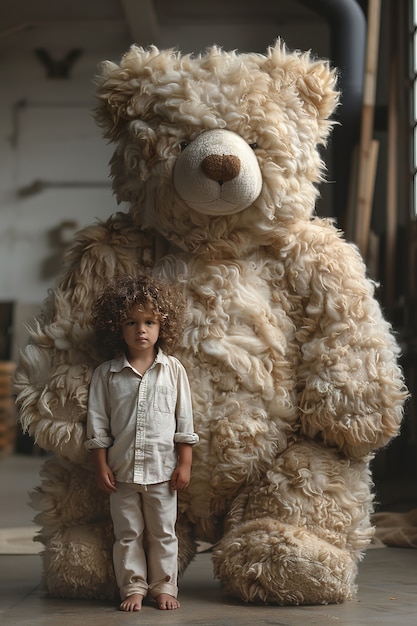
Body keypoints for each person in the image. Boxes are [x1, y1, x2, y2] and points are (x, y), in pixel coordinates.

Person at [85, 274, 198, 612]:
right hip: (120, 473)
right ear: (117, 328)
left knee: (164, 534)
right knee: (128, 535)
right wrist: (101, 464)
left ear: (163, 324)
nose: (141, 330)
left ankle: (165, 587)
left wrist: (185, 462)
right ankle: (132, 587)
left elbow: (185, 422)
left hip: (164, 472)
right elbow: (98, 423)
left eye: (149, 321)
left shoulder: (173, 370)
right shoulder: (106, 374)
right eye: (131, 322)